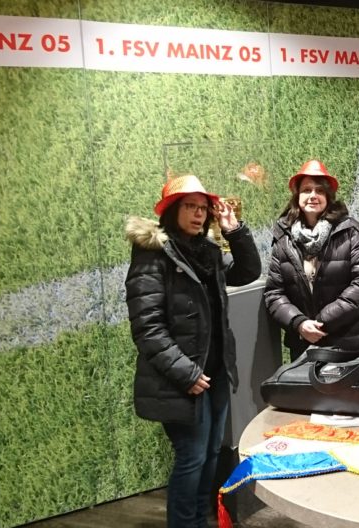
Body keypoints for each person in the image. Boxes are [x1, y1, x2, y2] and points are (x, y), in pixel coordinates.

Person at [124, 173, 261, 527]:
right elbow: (147, 327)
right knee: (192, 457)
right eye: (191, 206)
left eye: (203, 208)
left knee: (212, 454)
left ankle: (202, 520)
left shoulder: (207, 253)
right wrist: (186, 373)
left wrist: (234, 230)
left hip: (214, 373)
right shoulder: (152, 257)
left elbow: (248, 271)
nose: (199, 214)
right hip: (183, 379)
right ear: (173, 210)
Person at [264, 159, 359, 360]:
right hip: (304, 346)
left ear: (328, 196)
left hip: (350, 344)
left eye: (319, 191)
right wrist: (299, 323)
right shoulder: (284, 238)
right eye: (307, 190)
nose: (313, 196)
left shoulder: (350, 231)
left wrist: (321, 322)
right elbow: (274, 293)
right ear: (297, 196)